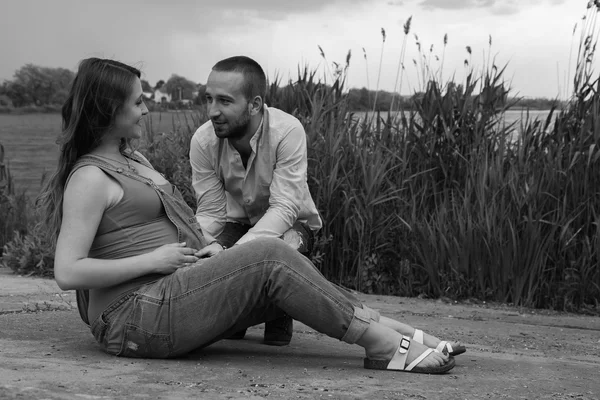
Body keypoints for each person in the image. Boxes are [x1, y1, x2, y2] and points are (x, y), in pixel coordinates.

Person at [38, 57, 463, 375]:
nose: (147, 109)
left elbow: (257, 211)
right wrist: (155, 261)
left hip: (166, 293)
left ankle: (402, 335)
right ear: (109, 109)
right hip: (132, 317)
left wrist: (204, 254)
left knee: (288, 272)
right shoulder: (91, 176)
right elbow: (67, 271)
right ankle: (385, 347)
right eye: (138, 101)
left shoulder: (134, 159)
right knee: (269, 254)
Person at [189, 56, 322, 346]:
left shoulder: (287, 132)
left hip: (292, 225)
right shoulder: (203, 141)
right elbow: (211, 212)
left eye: (225, 101)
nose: (212, 111)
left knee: (285, 247)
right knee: (229, 334)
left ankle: (279, 315)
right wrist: (197, 247)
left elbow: (285, 208)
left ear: (255, 104)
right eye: (208, 99)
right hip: (236, 223)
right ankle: (237, 316)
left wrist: (233, 257)